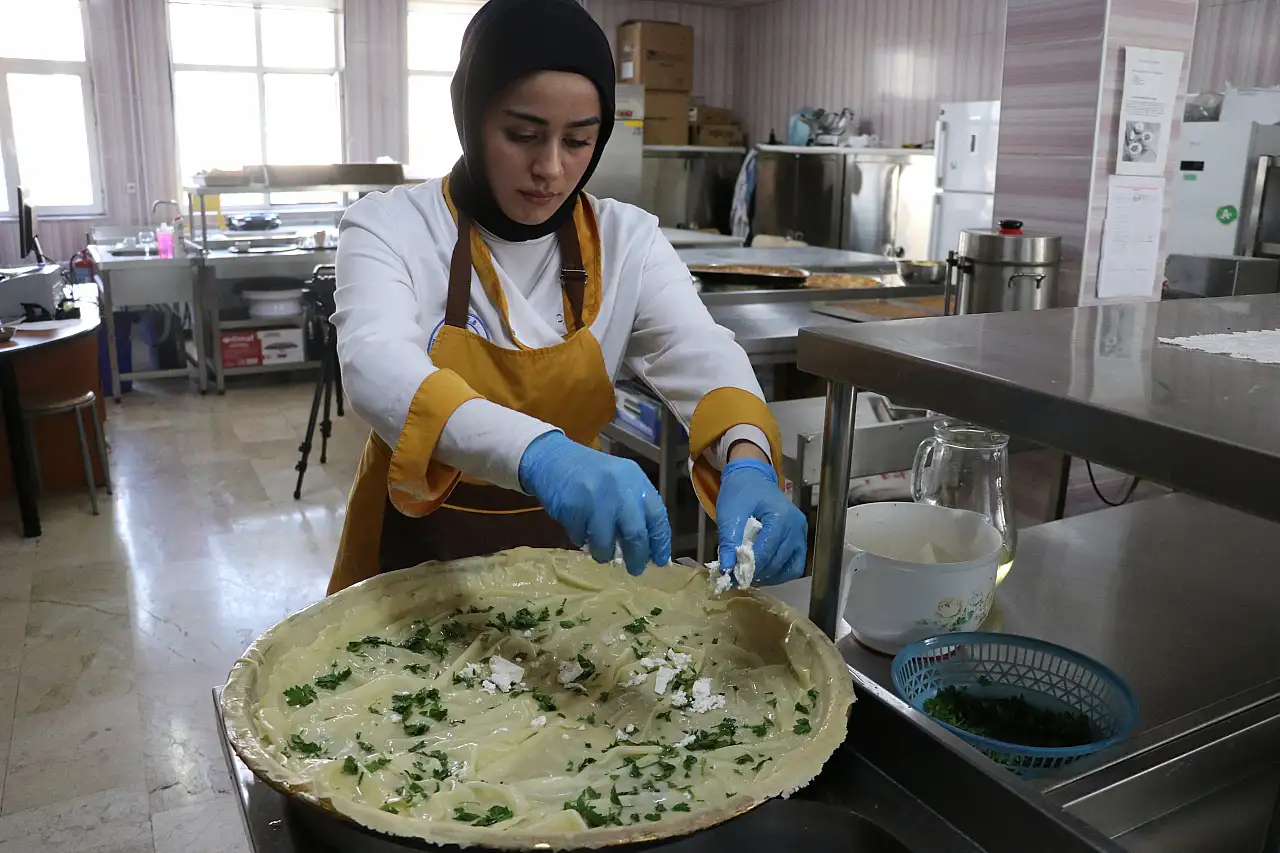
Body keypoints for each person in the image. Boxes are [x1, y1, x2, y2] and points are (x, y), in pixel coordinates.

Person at [327, 0, 806, 595]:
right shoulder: (391, 226)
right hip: (414, 550)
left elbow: (697, 348)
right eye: (522, 134)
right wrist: (544, 458)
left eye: (579, 140)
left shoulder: (624, 238)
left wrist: (748, 457)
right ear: (470, 117)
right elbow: (377, 366)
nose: (550, 168)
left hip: (556, 550)